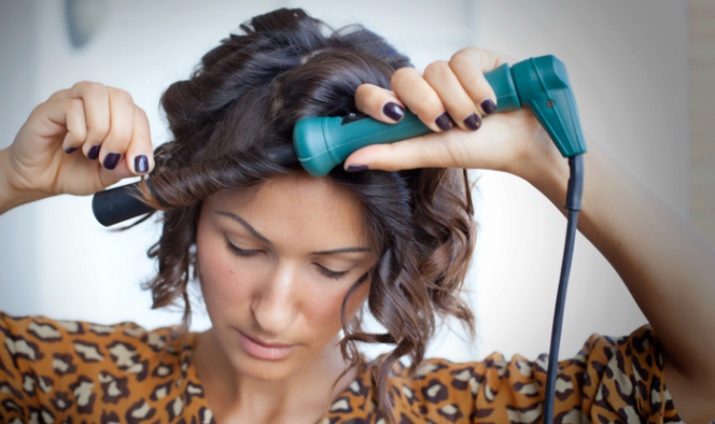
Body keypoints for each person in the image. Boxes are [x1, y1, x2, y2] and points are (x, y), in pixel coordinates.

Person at [0, 7, 713, 423]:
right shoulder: (74, 383)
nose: (272, 311)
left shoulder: (460, 410)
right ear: (190, 219)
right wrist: (11, 178)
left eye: (331, 266)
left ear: (387, 264)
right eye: (243, 247)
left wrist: (544, 158)